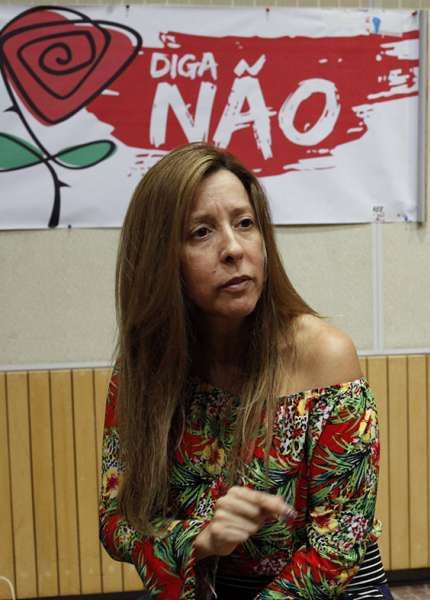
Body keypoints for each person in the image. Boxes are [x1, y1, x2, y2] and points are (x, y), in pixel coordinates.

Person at [99, 143, 390, 599]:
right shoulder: (144, 370)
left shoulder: (325, 357)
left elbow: (337, 551)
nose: (233, 249)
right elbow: (116, 522)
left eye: (244, 223)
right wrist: (199, 537)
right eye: (201, 232)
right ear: (160, 260)